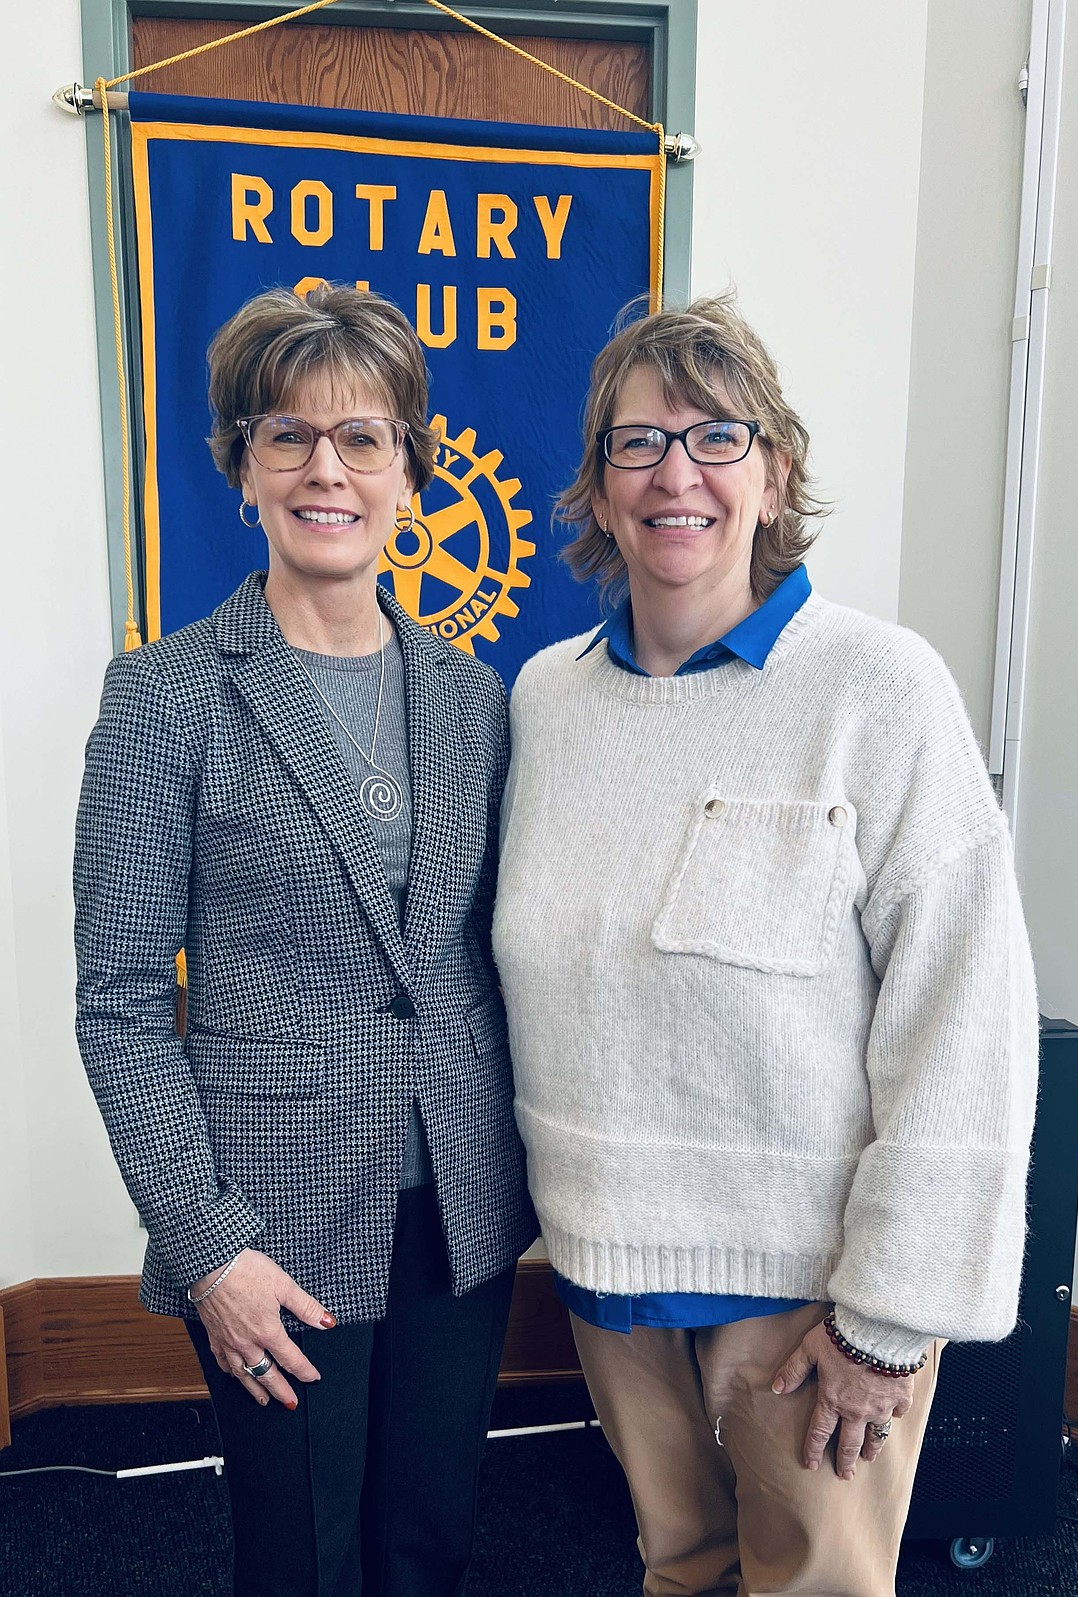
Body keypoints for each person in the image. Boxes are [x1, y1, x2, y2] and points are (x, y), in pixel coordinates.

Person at [492, 295, 1038, 1597]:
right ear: (600, 486)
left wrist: (892, 1319)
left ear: (775, 471)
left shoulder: (877, 689)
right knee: (680, 1569)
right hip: (611, 1275)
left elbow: (968, 1013)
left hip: (809, 1301)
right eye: (639, 444)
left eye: (716, 437)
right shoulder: (547, 701)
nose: (677, 474)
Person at [74, 283, 536, 1597]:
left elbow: (486, 955)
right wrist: (205, 1241)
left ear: (410, 475)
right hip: (266, 1214)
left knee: (427, 1542)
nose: (326, 467)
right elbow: (117, 999)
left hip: (457, 1203)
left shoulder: (475, 698)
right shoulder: (166, 699)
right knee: (303, 1562)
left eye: (363, 439)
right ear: (243, 468)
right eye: (289, 436)